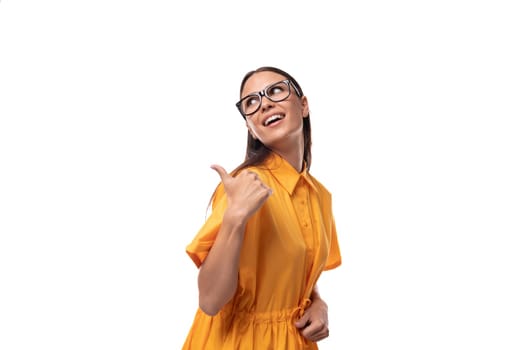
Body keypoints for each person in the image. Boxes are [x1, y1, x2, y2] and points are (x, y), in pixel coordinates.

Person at [182, 66, 342, 349]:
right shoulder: (246, 186)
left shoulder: (320, 196)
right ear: (250, 127)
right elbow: (209, 301)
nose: (264, 102)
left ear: (303, 105)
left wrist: (318, 302)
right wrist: (234, 219)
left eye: (276, 90)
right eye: (251, 102)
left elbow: (296, 271)